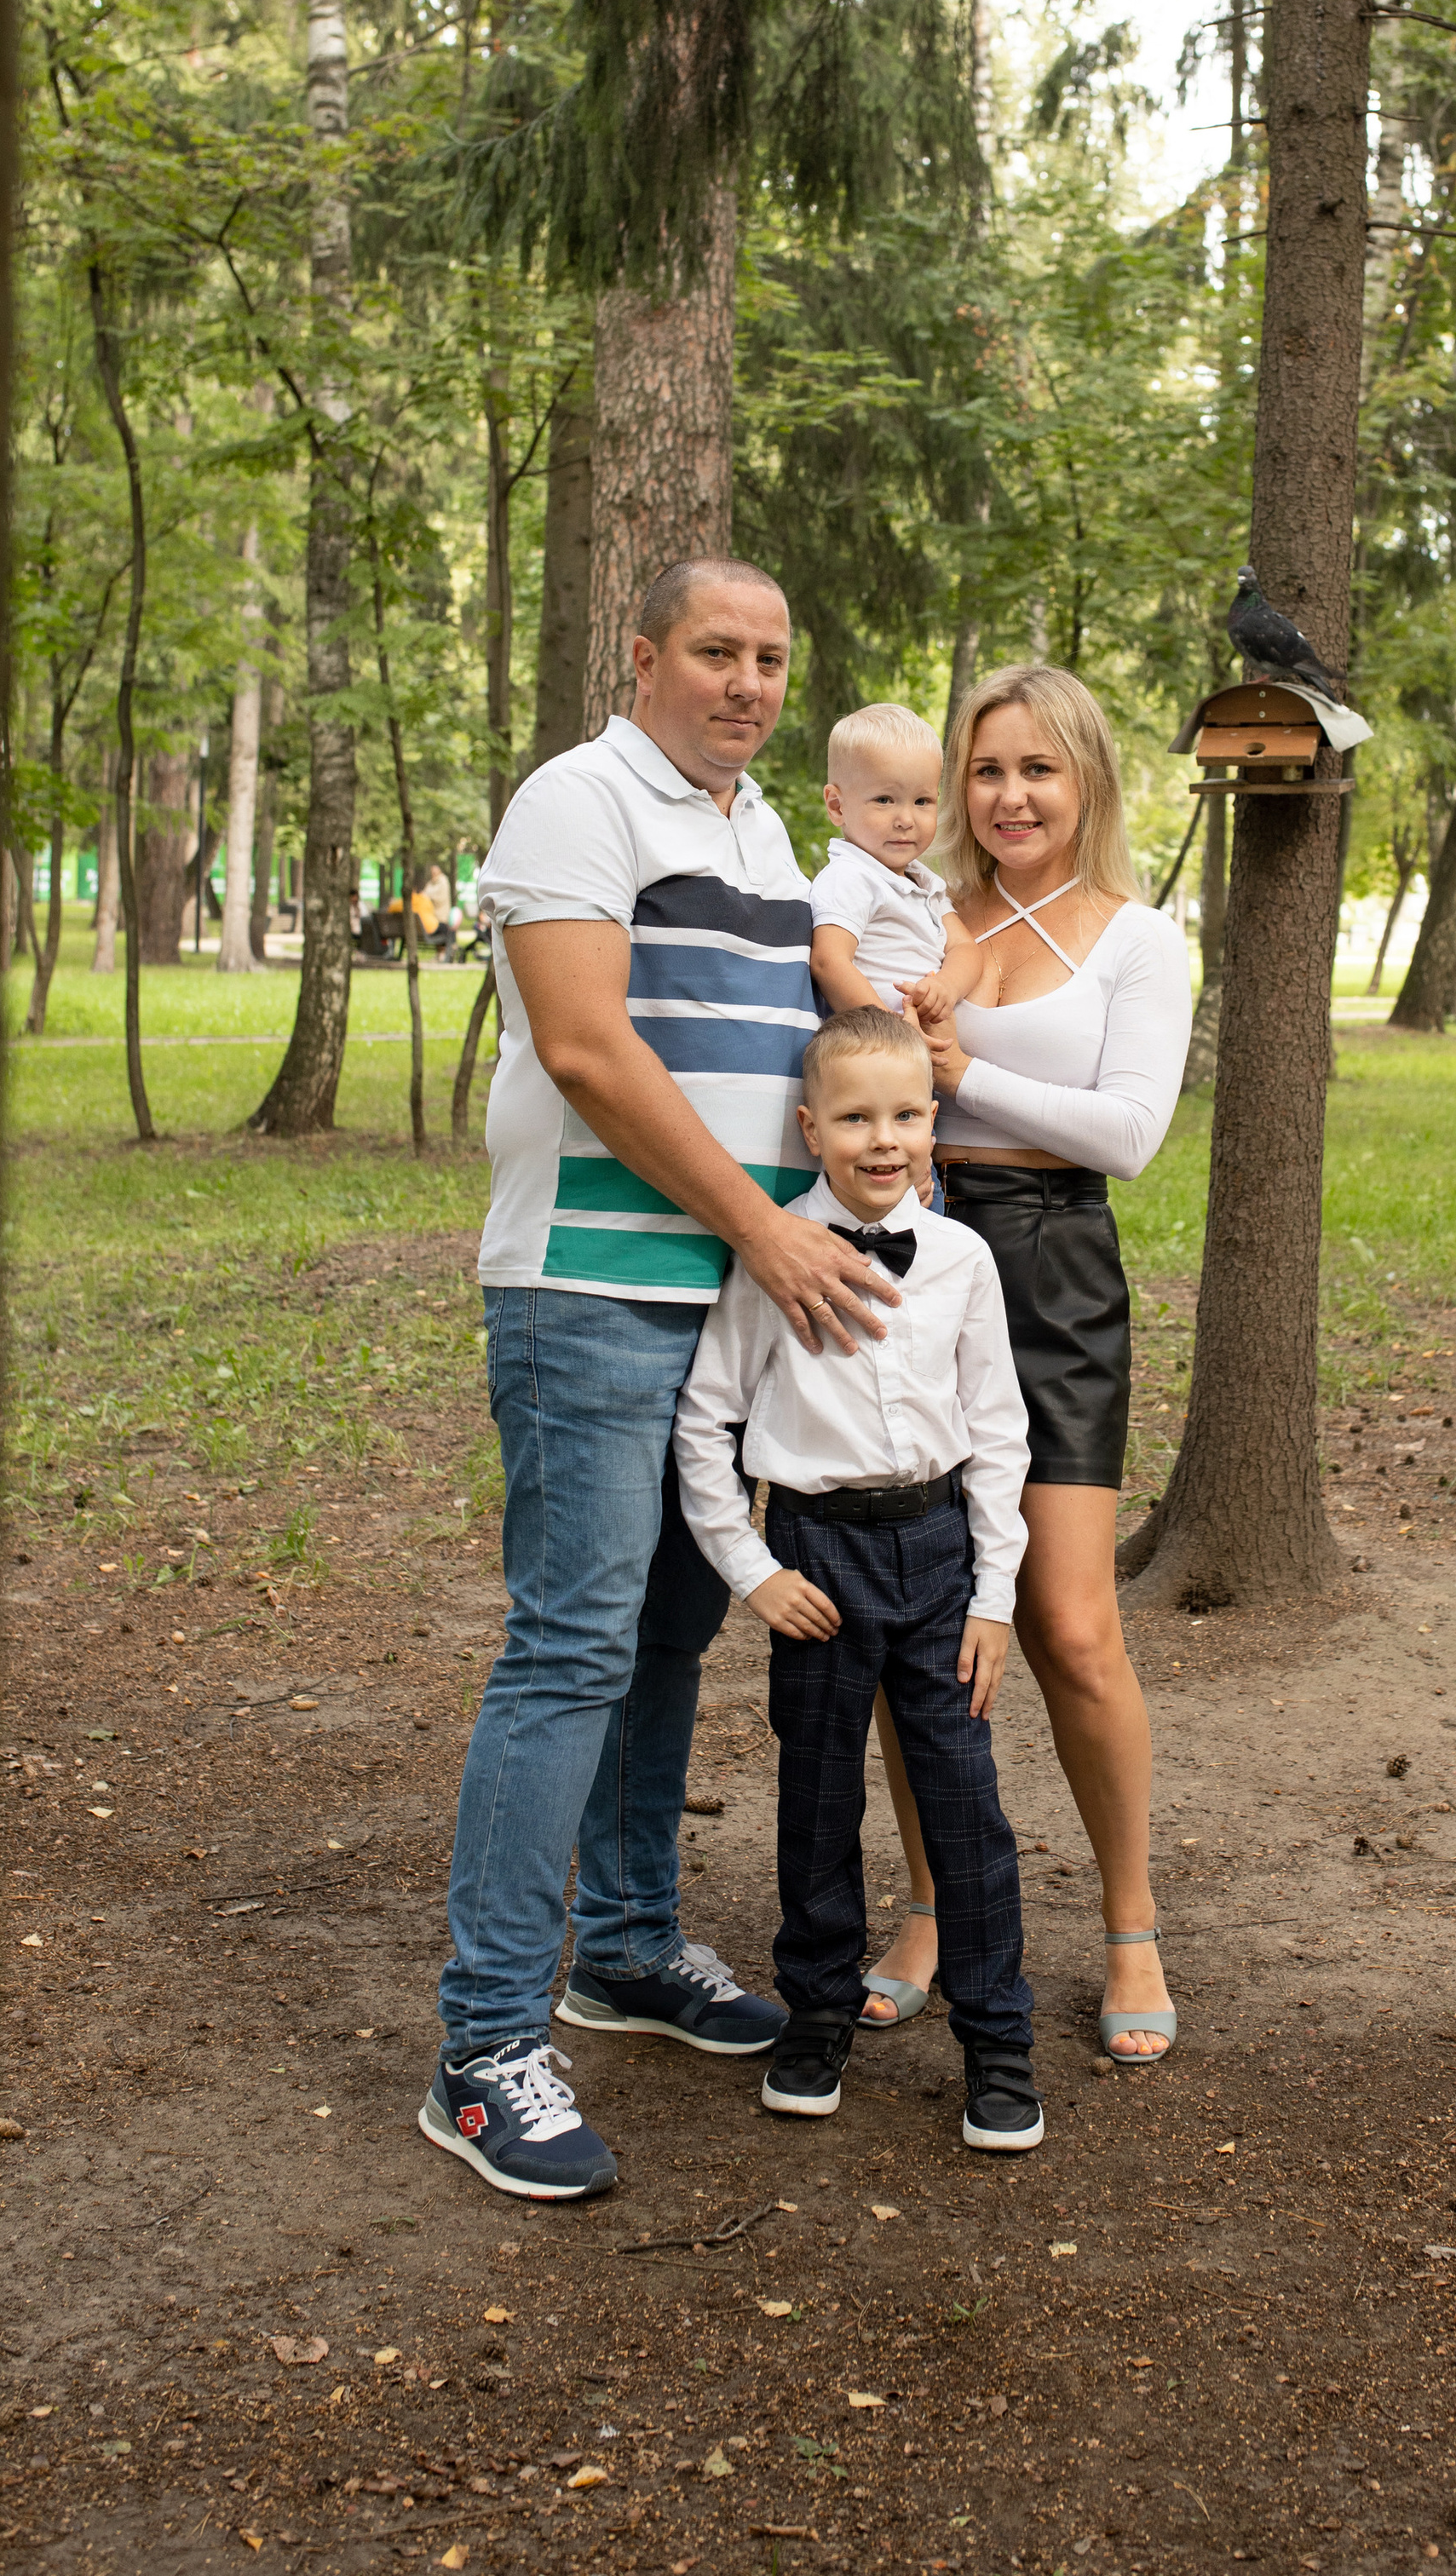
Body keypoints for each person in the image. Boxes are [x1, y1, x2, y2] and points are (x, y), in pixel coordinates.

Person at [417, 559, 904, 2204]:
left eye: (771, 657)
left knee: (672, 1637)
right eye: (716, 652)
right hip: (593, 1292)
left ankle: (626, 1949)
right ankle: (484, 2048)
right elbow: (585, 1049)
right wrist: (764, 1228)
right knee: (571, 1645)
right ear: (645, 658)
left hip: (731, 1312)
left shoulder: (764, 834)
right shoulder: (579, 802)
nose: (748, 682)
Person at [862, 662, 1191, 2065]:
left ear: (1087, 781)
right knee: (911, 1617)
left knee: (1068, 1624)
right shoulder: (920, 914)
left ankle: (1130, 1924)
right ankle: (929, 1909)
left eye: (1038, 770)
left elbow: (1128, 1133)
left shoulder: (1140, 937)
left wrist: (961, 1077)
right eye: (987, 770)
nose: (1010, 797)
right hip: (913, 1256)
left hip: (1054, 1269)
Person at [675, 1005, 1042, 2151]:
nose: (883, 1140)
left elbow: (999, 1431)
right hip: (815, 1561)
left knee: (965, 1805)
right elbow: (705, 1420)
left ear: (933, 1123)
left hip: (938, 1557)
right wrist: (751, 1570)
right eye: (854, 1119)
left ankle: (997, 2041)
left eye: (905, 1116)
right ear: (810, 1128)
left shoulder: (964, 1261)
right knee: (818, 1799)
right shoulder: (773, 1251)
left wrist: (994, 1597)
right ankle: (818, 2013)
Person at [807, 704, 998, 1021]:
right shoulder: (850, 876)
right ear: (837, 806)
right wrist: (892, 1032)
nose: (906, 820)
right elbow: (829, 962)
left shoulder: (924, 883)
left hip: (918, 1036)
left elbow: (965, 949)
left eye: (922, 801)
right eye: (884, 800)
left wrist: (946, 987)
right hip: (872, 1039)